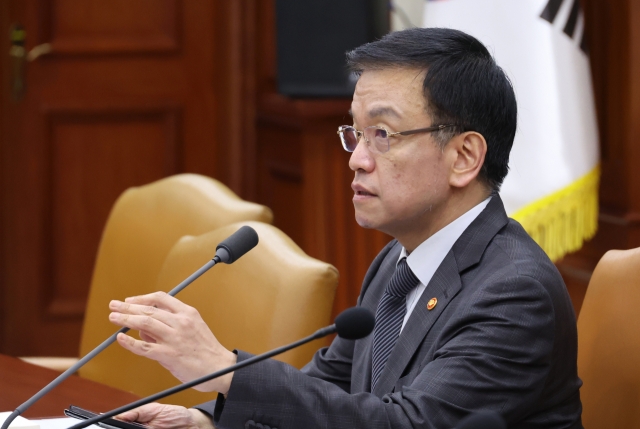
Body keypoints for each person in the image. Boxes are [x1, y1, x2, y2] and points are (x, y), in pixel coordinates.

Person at [107, 28, 583, 429]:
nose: (356, 159)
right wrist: (209, 421)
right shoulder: (400, 262)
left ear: (464, 157)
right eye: (355, 133)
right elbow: (328, 385)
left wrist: (226, 369)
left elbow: (408, 424)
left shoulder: (515, 293)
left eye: (383, 135)